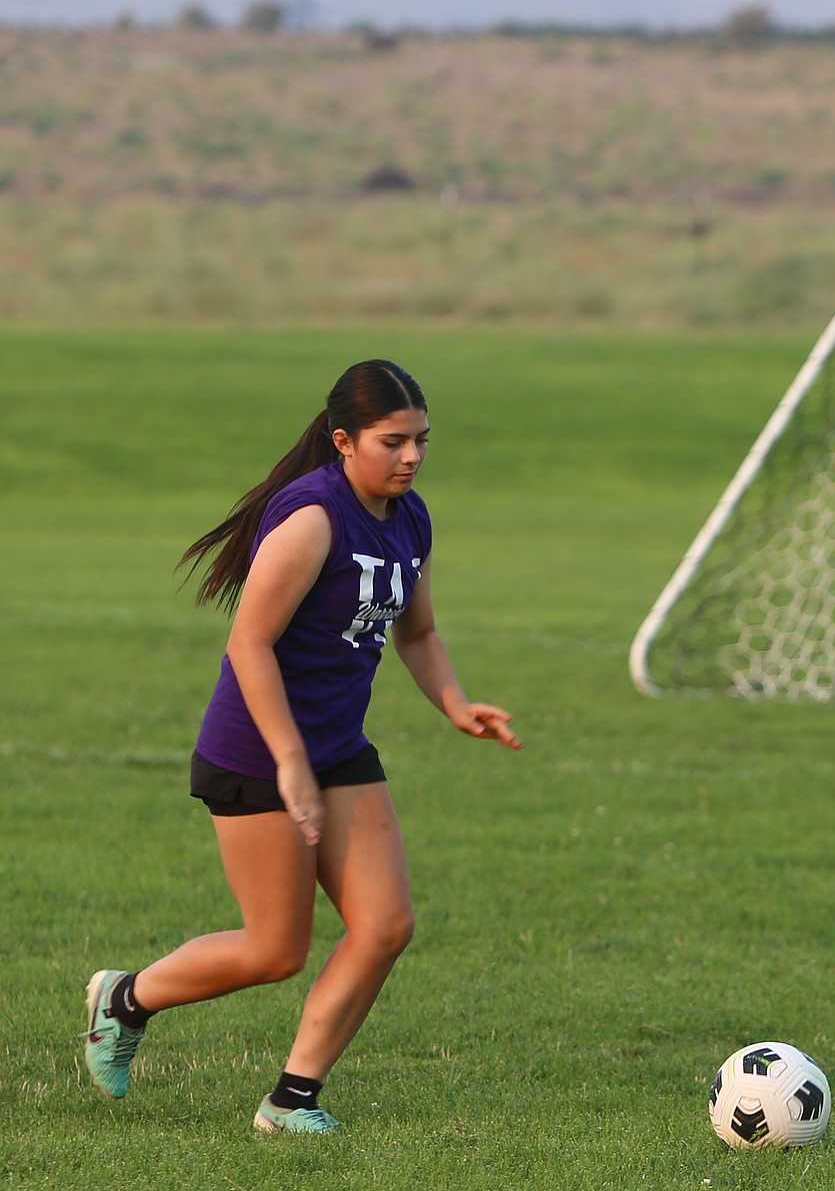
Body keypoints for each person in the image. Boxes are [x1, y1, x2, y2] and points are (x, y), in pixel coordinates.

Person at [83, 358, 521, 1133]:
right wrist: (287, 759)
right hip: (255, 752)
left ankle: (292, 1099)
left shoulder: (410, 518)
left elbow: (416, 630)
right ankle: (124, 998)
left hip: (337, 749)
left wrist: (455, 702)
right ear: (344, 440)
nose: (412, 456)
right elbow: (249, 645)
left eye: (422, 439)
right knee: (274, 949)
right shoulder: (313, 517)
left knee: (386, 925)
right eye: (394, 442)